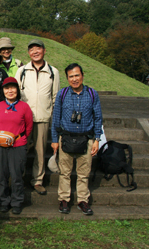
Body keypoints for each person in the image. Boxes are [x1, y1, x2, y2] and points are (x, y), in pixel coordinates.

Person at [51, 63, 102, 216]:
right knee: (64, 172)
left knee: (83, 173)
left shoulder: (92, 94)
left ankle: (82, 200)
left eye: (77, 75)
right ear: (67, 78)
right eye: (71, 76)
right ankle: (64, 199)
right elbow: (56, 118)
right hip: (65, 138)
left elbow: (98, 117)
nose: (74, 79)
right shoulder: (62, 94)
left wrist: (97, 139)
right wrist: (54, 139)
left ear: (82, 75)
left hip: (86, 139)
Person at [15, 39, 60, 195]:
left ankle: (38, 180)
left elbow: (55, 97)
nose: (35, 51)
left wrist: (52, 116)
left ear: (44, 50)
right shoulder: (22, 71)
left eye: (38, 48)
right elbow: (16, 94)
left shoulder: (53, 72)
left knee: (40, 152)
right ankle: (18, 179)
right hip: (23, 118)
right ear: (28, 53)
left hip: (43, 117)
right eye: (32, 49)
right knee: (21, 151)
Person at [0, 77, 33, 215]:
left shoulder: (24, 107)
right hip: (0, 145)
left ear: (17, 89)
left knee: (16, 175)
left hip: (18, 145)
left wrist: (18, 138)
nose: (10, 91)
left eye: (12, 87)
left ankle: (17, 201)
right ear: (3, 90)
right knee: (1, 175)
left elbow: (28, 127)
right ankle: (4, 201)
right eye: (6, 88)